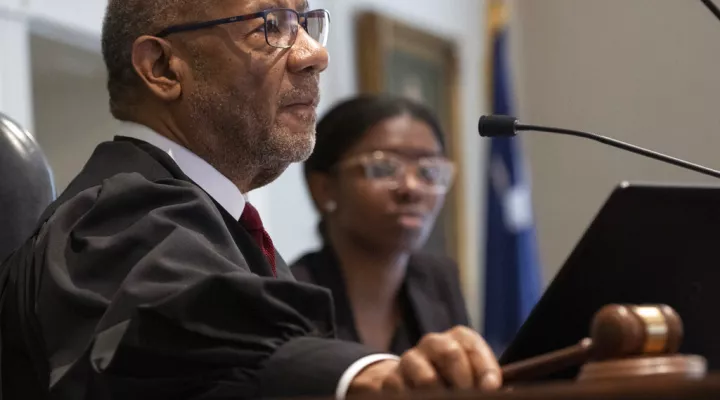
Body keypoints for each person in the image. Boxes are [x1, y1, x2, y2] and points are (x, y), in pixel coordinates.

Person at [0, 1, 502, 399]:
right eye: (272, 24)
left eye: (306, 22)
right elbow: (177, 319)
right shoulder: (117, 212)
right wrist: (371, 373)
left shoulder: (218, 223)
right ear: (162, 67)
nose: (314, 54)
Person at [292, 95, 469, 355]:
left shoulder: (438, 281)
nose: (412, 188)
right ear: (324, 189)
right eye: (383, 168)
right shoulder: (290, 293)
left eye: (429, 171)